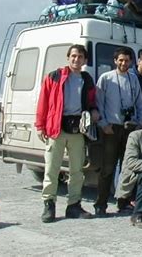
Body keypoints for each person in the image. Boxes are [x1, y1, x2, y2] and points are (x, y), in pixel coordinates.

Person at [35, 44, 99, 223]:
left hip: (78, 129)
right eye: (73, 56)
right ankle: (49, 204)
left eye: (80, 57)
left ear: (85, 60)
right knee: (51, 169)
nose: (76, 60)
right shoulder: (55, 76)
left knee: (77, 170)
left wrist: (94, 110)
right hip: (56, 128)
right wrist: (40, 126)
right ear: (68, 57)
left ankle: (74, 205)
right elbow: (43, 101)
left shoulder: (87, 79)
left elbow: (92, 100)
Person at [94, 47, 142, 216]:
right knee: (108, 167)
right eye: (120, 60)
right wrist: (103, 124)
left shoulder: (133, 79)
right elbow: (98, 103)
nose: (124, 63)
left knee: (127, 167)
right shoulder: (106, 78)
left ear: (131, 62)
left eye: (127, 60)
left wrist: (140, 121)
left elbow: (139, 101)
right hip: (111, 128)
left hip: (129, 128)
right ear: (115, 61)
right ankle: (100, 204)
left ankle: (123, 201)